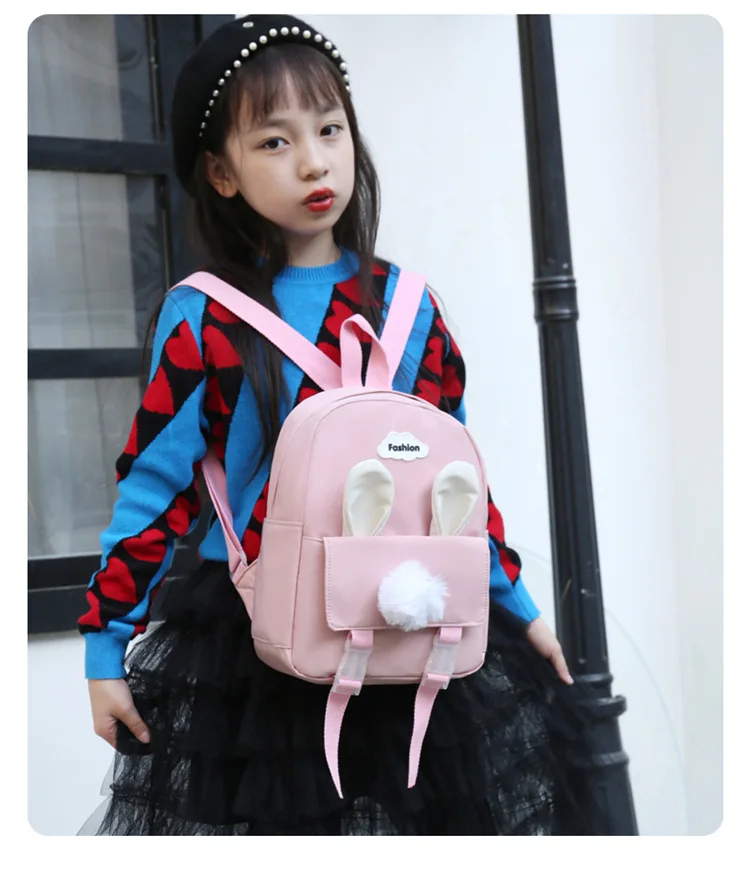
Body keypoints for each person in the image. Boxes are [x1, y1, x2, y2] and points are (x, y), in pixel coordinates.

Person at [79, 14, 596, 836]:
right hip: (259, 651)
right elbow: (155, 488)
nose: (315, 161)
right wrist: (105, 651)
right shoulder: (205, 316)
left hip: (413, 630)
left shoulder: (411, 307)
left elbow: (458, 492)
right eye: (274, 142)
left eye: (329, 129)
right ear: (220, 173)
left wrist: (523, 611)